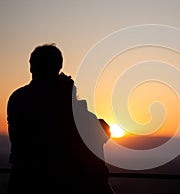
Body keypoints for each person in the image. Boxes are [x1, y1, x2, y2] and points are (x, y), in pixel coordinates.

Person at [7, 43, 115, 194]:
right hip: (63, 182)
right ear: (59, 66)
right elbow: (93, 133)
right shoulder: (62, 99)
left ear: (31, 67)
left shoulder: (18, 98)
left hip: (24, 180)